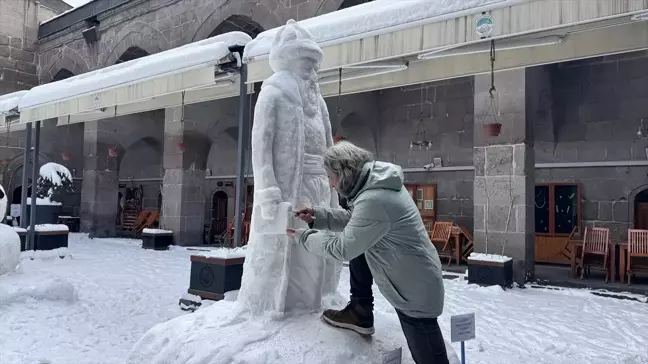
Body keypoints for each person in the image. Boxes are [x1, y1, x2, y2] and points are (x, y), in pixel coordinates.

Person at [288, 141, 449, 364]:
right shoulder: (375, 185)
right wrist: (318, 216)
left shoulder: (375, 199)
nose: (330, 184)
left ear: (343, 174)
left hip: (415, 293)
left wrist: (302, 237)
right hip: (414, 281)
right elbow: (359, 222)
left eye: (330, 177)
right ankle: (359, 310)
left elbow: (342, 247)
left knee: (430, 357)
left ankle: (360, 309)